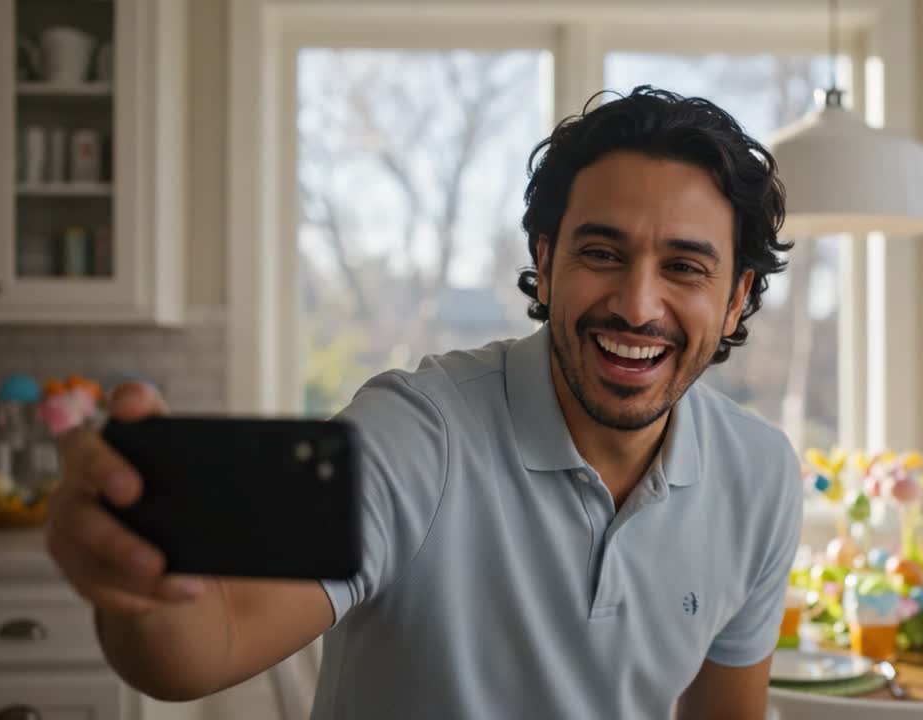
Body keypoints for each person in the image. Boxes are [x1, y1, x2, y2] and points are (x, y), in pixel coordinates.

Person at [48, 86, 803, 719]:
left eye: (684, 267)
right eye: (601, 253)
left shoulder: (759, 475)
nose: (638, 306)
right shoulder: (417, 435)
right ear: (545, 264)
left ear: (738, 299)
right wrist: (140, 584)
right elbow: (203, 650)